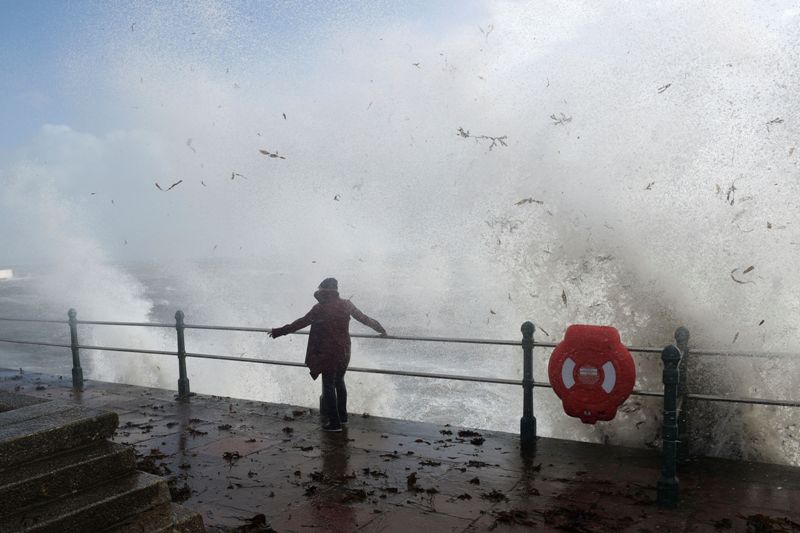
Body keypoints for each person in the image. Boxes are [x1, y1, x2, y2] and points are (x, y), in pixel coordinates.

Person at [269, 278, 387, 432]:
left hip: (327, 352)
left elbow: (300, 323)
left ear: (323, 290)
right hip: (344, 350)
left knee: (329, 385)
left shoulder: (320, 308)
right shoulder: (346, 304)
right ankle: (342, 418)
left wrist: (278, 331)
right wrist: (381, 329)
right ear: (336, 290)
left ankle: (334, 423)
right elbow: (364, 319)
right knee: (339, 381)